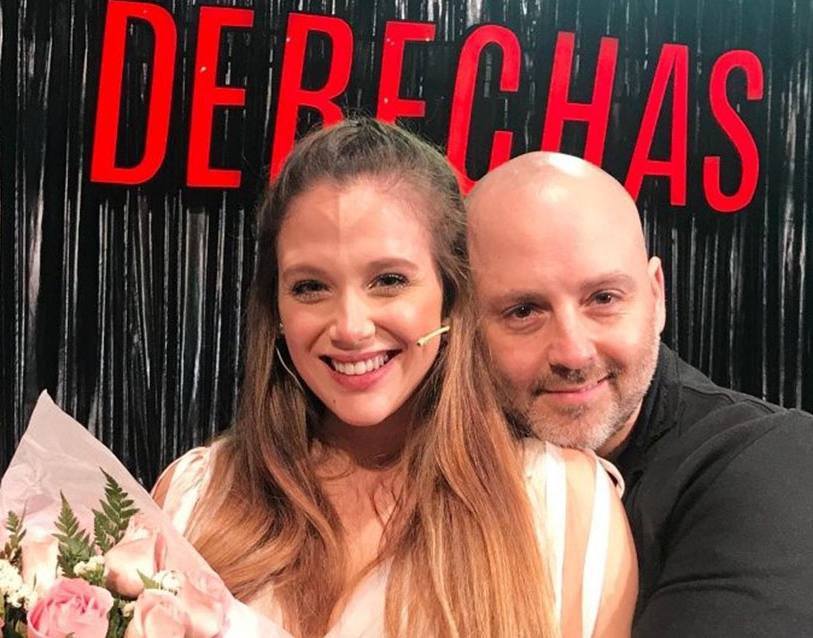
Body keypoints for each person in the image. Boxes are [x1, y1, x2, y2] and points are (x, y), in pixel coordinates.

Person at [153, 120, 636, 637]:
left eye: (388, 280)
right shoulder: (193, 497)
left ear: (450, 294)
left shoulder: (563, 505)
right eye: (311, 287)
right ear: (275, 311)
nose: (350, 327)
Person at [466, 151, 813, 637]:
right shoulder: (431, 464)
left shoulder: (767, 464)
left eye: (604, 298)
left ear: (656, 296)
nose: (573, 353)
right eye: (524, 311)